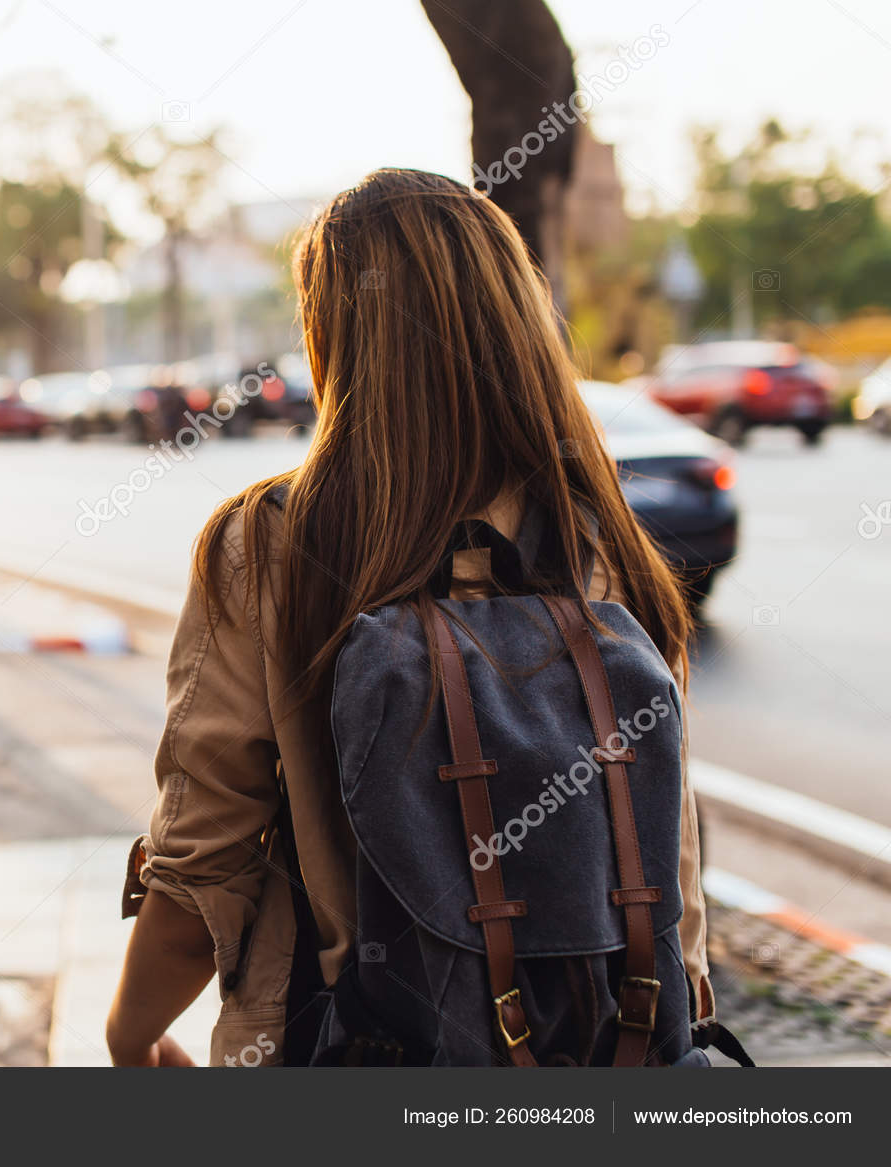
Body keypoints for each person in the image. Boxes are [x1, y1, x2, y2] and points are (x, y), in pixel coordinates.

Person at [105, 168, 713, 1067]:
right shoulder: (597, 532)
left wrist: (131, 1034)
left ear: (335, 338)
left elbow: (205, 864)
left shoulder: (271, 545)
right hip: (606, 1049)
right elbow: (672, 858)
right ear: (518, 320)